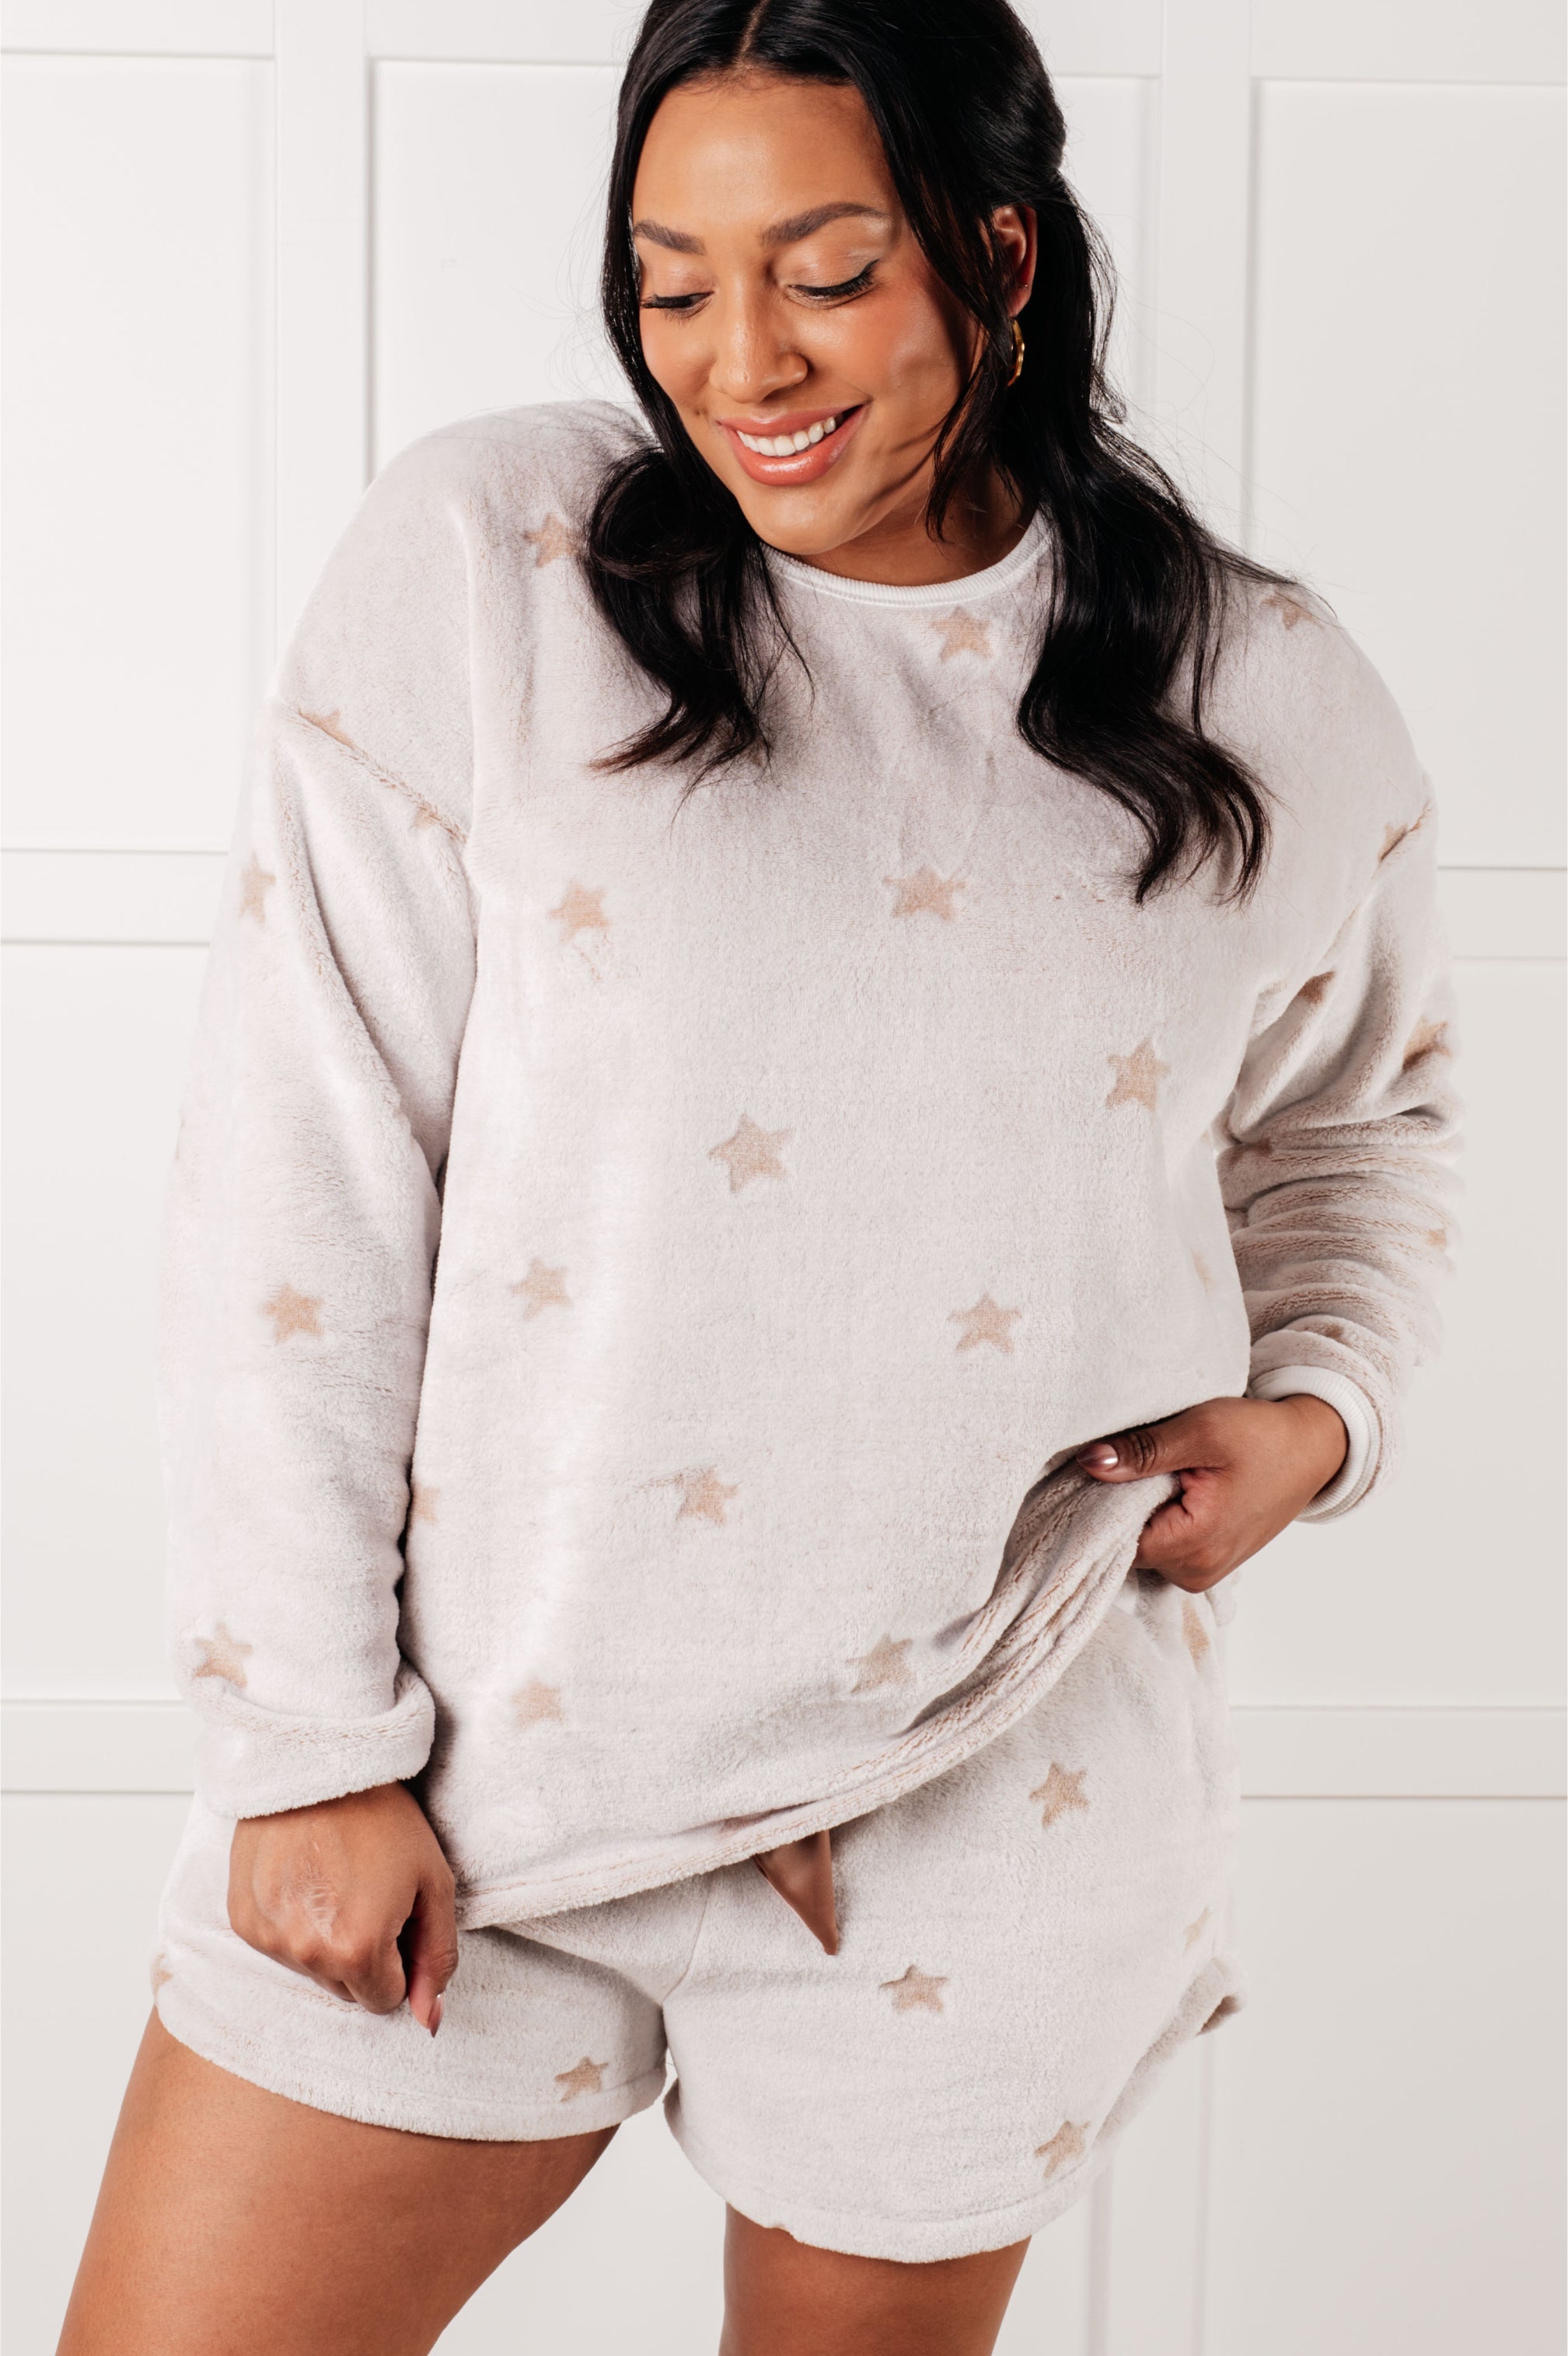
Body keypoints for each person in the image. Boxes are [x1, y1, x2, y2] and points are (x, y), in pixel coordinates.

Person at [59, 1, 1458, 2349]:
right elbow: (303, 1171)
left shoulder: (1258, 691)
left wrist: (1318, 1414)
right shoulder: (495, 568)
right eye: (672, 284)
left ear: (998, 258)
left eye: (825, 272)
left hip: (989, 1790)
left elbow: (1360, 1121)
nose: (742, 362)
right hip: (468, 1783)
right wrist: (303, 1751)